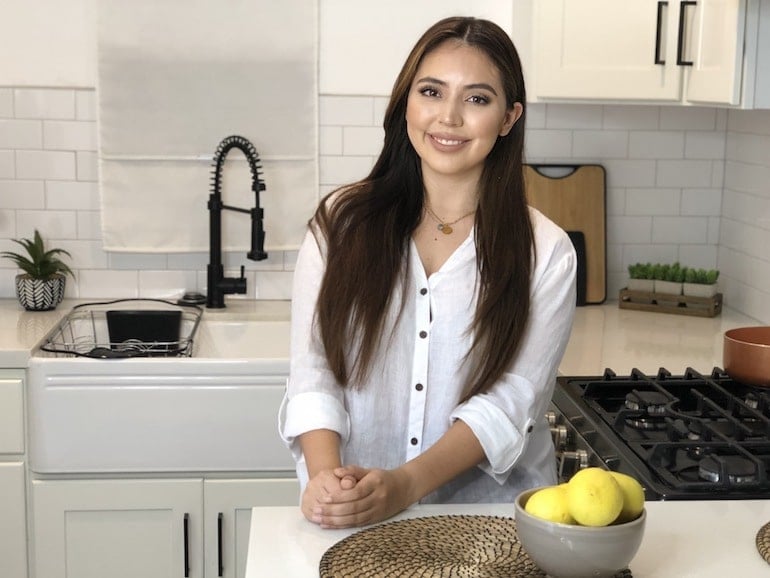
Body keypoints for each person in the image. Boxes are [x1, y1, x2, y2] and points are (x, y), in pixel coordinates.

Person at [279, 16, 577, 529]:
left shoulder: (546, 252)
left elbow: (507, 402)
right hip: (352, 521)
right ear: (406, 104)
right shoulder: (340, 226)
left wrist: (405, 484)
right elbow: (314, 371)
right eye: (432, 92)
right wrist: (327, 481)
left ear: (509, 118)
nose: (449, 118)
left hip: (489, 527)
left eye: (478, 99)